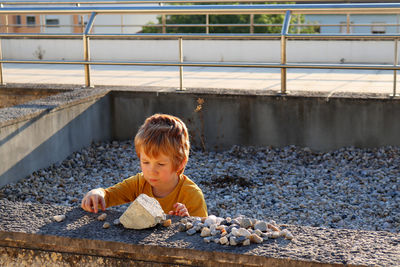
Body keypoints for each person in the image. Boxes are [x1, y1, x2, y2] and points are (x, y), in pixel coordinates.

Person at [81, 113, 208, 218]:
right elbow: (109, 196)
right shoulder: (139, 183)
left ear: (180, 163)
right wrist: (97, 193)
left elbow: (202, 232)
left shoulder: (191, 195)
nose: (152, 171)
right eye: (146, 162)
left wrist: (186, 221)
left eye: (161, 164)